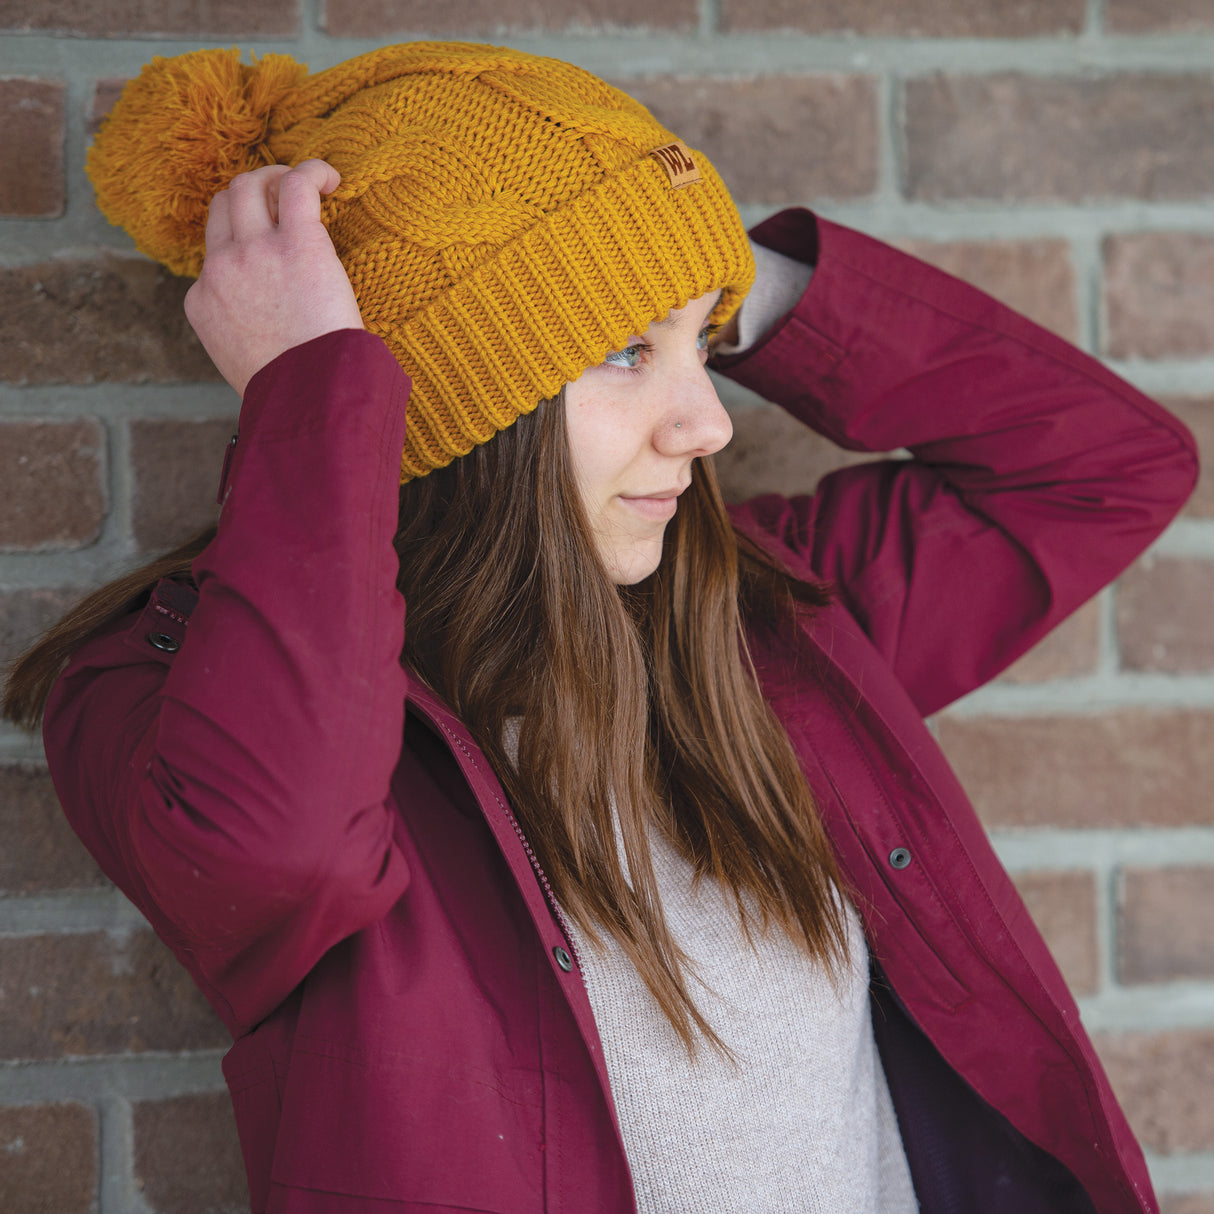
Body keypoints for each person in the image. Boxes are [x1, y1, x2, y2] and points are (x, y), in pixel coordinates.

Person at [2, 41, 1198, 1214]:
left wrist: (708, 265)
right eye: (626, 350)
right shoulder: (151, 689)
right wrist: (310, 385)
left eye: (704, 347)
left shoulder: (763, 622)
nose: (706, 423)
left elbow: (1105, 470)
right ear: (444, 396)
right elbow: (280, 849)